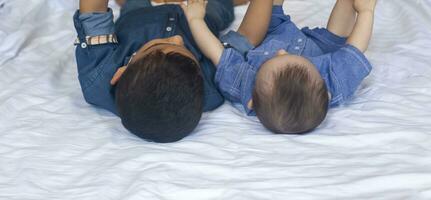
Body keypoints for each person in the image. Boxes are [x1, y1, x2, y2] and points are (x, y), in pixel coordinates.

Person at [182, 0, 377, 134]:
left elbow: (216, 52)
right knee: (337, 38)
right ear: (326, 92)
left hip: (276, 33)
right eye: (288, 56)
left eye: (272, 61)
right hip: (320, 49)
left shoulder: (244, 86)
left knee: (270, 24)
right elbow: (355, 48)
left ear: (252, 101)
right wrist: (366, 12)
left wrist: (195, 20)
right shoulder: (333, 84)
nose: (282, 52)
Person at [73, 0, 244, 143]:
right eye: (187, 51)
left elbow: (93, 11)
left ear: (120, 73)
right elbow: (245, 39)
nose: (177, 38)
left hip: (139, 15)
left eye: (155, 45)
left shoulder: (99, 76)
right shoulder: (214, 85)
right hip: (200, 15)